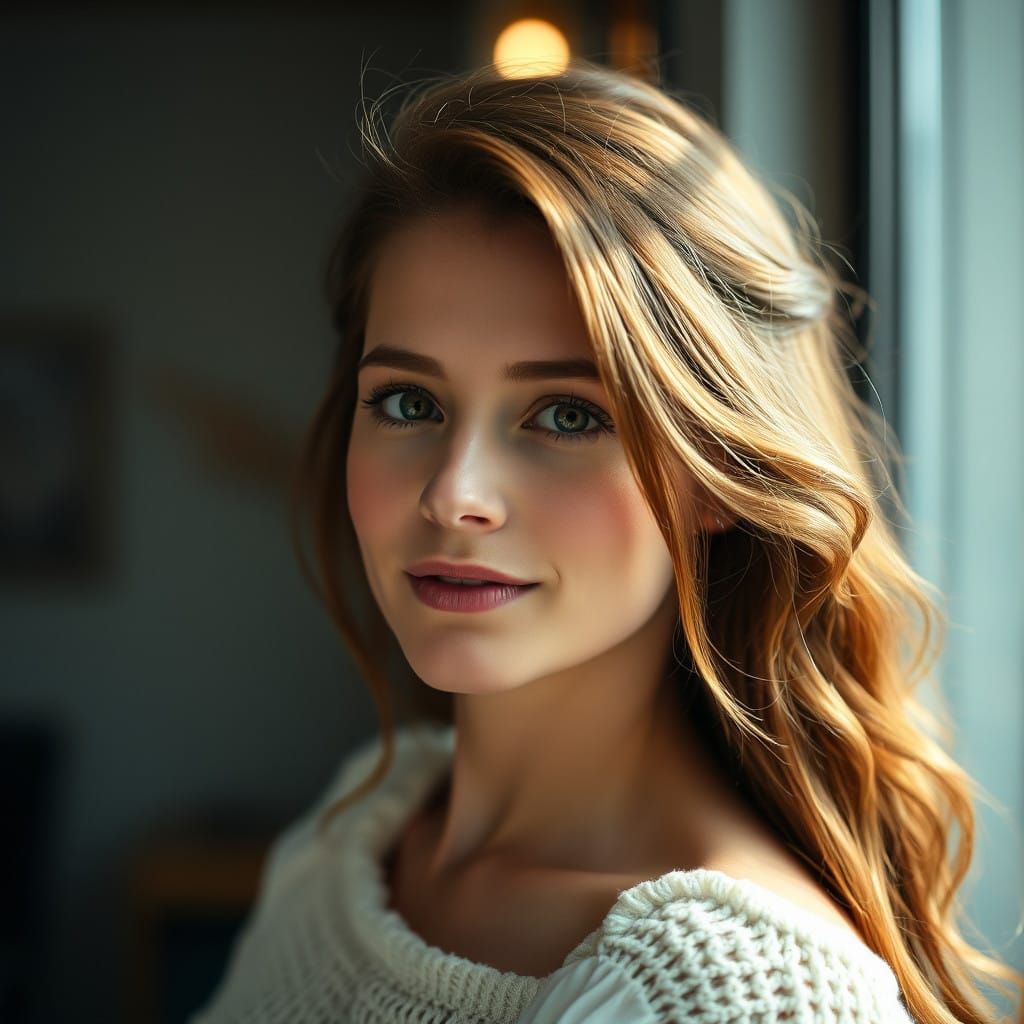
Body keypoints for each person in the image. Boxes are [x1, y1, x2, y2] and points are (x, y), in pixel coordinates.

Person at [190, 59, 1023, 1023]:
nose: (456, 495)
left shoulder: (730, 994)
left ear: (717, 471)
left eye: (568, 416)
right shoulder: (355, 834)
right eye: (409, 401)